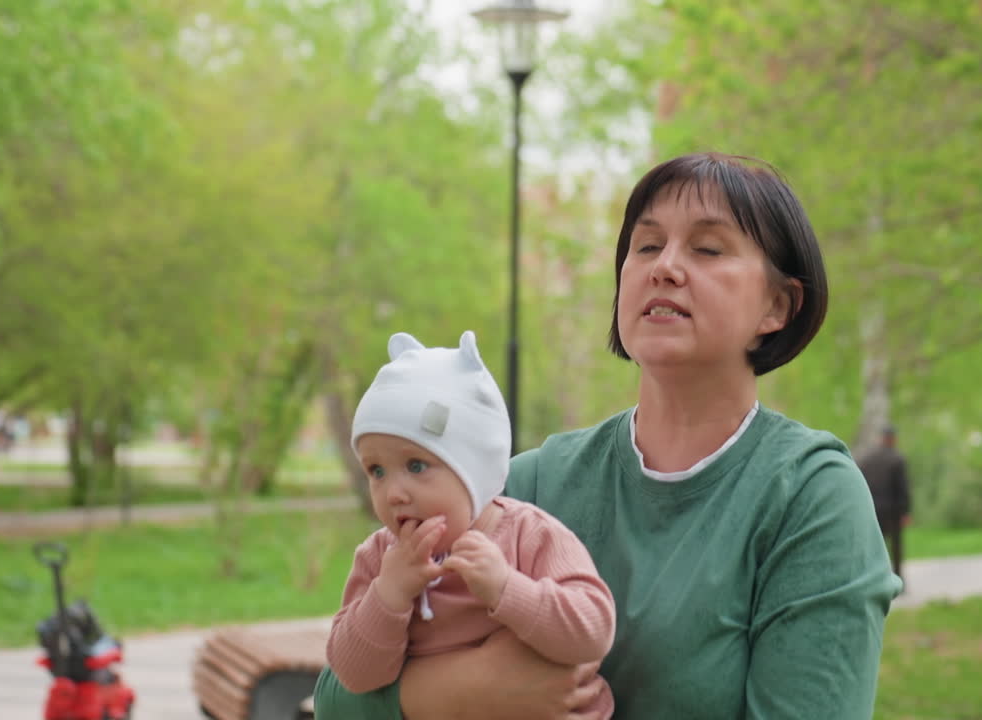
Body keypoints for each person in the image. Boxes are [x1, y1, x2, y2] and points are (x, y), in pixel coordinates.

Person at [314, 152, 902, 720]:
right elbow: (337, 698)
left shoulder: (810, 497)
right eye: (646, 245)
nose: (664, 266)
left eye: (707, 248)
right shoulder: (532, 481)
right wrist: (465, 694)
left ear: (778, 305)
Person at [322, 330, 616, 718]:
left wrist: (506, 588)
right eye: (377, 470)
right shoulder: (379, 559)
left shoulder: (530, 534)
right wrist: (389, 594)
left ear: (473, 471)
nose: (393, 492)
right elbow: (353, 676)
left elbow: (593, 633)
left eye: (415, 465)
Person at [857, 425, 912, 581]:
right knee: (895, 548)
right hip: (892, 510)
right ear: (892, 439)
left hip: (872, 509)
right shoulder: (897, 458)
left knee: (873, 547)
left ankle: (873, 579)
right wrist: (905, 512)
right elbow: (903, 488)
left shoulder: (866, 458)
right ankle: (898, 580)